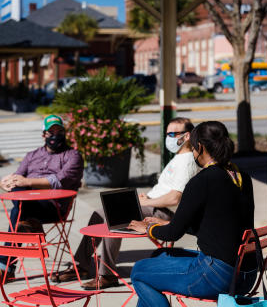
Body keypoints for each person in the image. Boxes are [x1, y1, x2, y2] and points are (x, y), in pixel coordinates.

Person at [102, 121, 257, 307]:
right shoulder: (241, 177)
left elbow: (173, 230)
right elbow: (216, 225)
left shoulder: (202, 181)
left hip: (217, 275)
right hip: (246, 274)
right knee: (158, 259)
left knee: (140, 272)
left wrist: (149, 227)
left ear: (199, 147)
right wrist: (158, 224)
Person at [56, 117, 200, 289]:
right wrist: (147, 198)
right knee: (100, 212)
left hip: (160, 211)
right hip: (151, 204)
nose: (168, 137)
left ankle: (107, 275)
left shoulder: (187, 161)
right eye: (166, 133)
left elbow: (175, 198)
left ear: (187, 136)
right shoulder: (178, 158)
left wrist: (149, 200)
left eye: (172, 133)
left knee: (113, 216)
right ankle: (82, 264)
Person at [0, 114, 84, 280]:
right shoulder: (32, 155)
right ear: (43, 135)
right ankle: (31, 224)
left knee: (18, 211)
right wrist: (5, 183)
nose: (55, 135)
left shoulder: (72, 155)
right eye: (50, 132)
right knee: (19, 205)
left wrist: (27, 181)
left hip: (54, 206)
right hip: (28, 203)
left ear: (65, 133)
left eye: (59, 131)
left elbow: (60, 181)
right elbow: (18, 177)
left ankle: (5, 267)